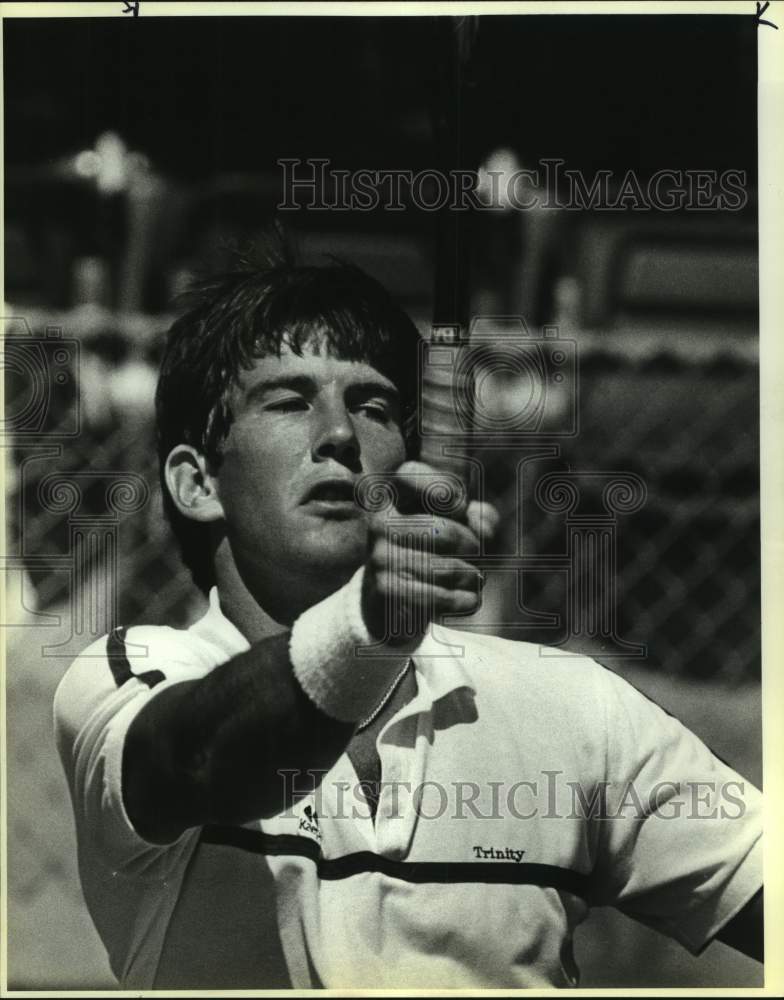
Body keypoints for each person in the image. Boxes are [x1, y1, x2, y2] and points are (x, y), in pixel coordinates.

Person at [54, 251, 763, 989]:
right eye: (290, 402)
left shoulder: (575, 707)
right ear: (197, 484)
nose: (339, 434)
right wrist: (371, 624)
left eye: (373, 407)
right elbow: (201, 762)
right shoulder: (129, 675)